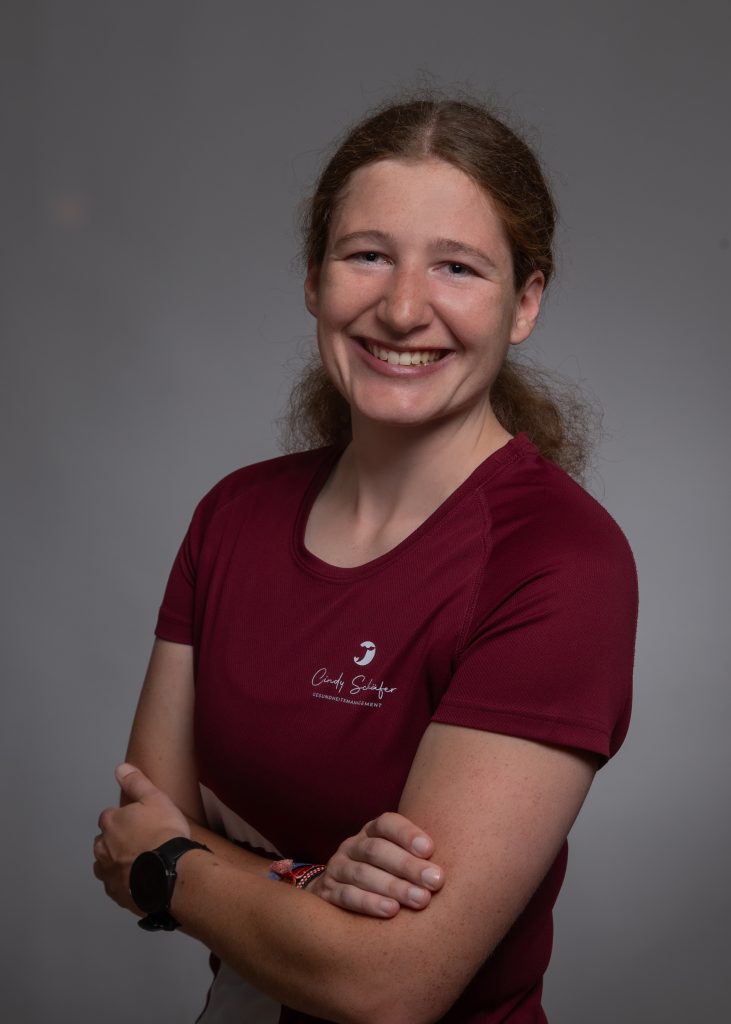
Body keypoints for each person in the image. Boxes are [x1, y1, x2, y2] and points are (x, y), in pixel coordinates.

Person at [93, 96, 638, 1023]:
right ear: (314, 279)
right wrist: (308, 884)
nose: (402, 308)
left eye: (456, 266)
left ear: (524, 303)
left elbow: (386, 983)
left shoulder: (559, 563)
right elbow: (130, 833)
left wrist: (176, 866)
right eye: (368, 256)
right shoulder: (232, 515)